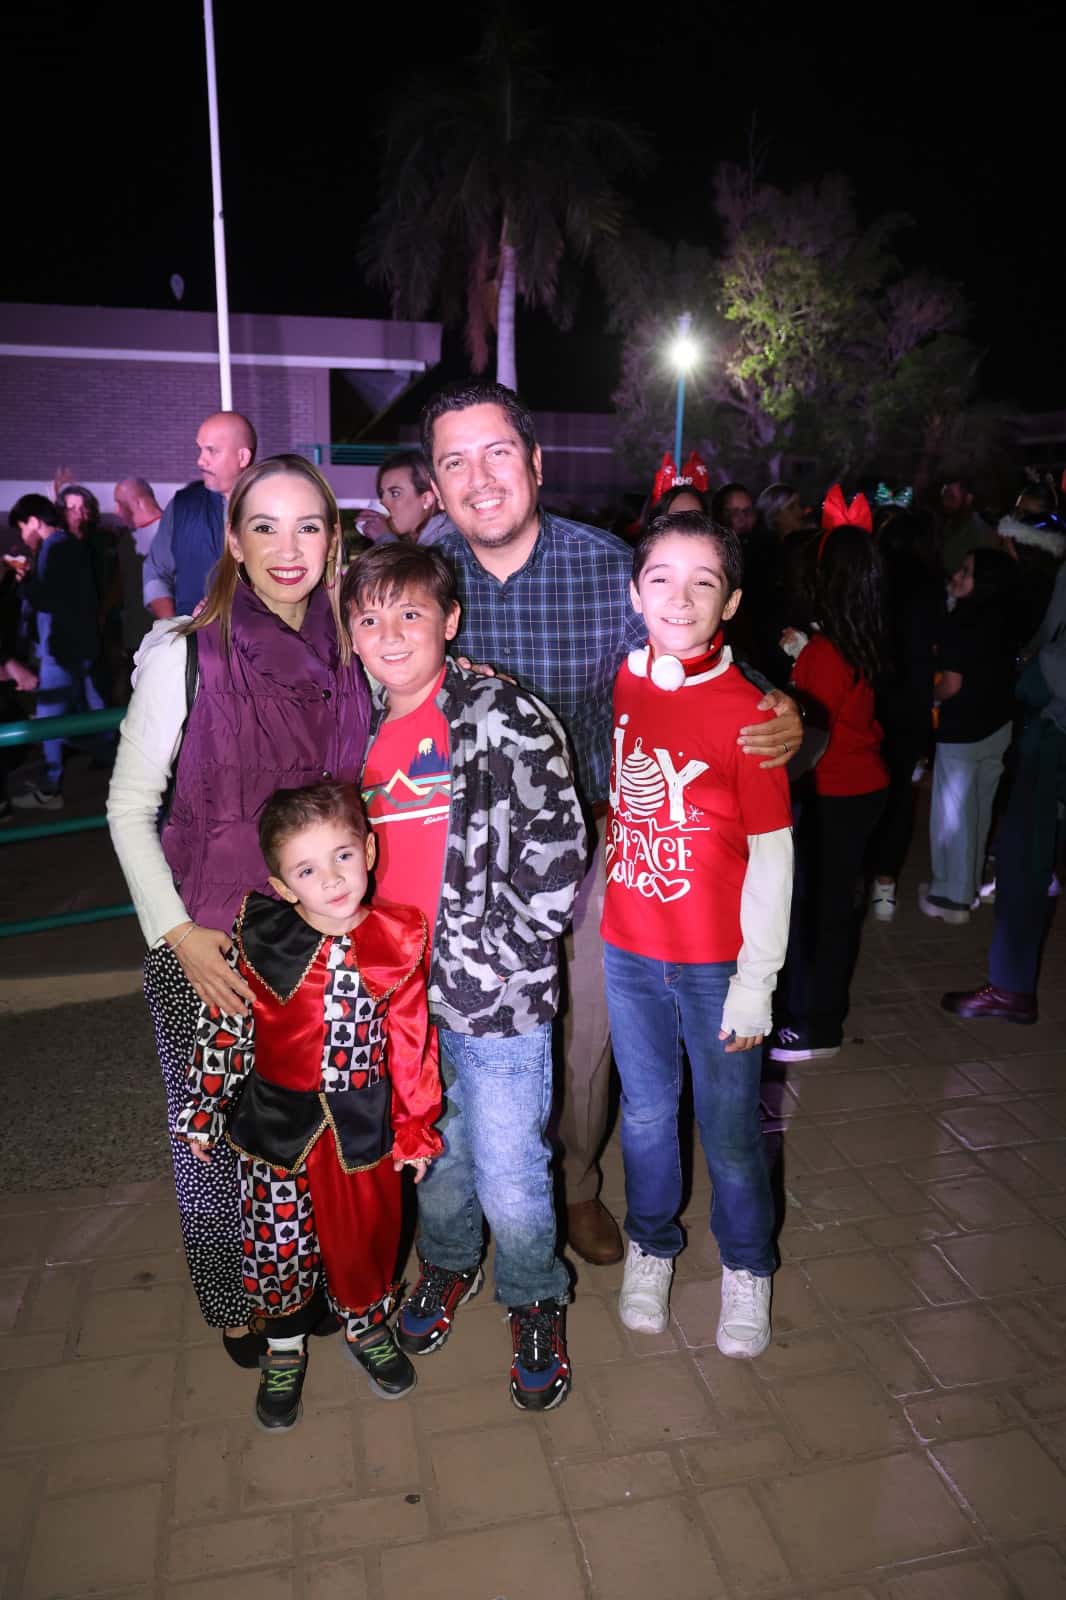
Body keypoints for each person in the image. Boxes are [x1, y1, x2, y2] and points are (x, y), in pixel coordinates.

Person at [421, 380, 803, 1267]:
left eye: (498, 453)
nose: (479, 479)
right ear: (436, 485)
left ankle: (577, 1185)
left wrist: (789, 717)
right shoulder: (422, 579)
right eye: (454, 461)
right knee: (467, 1038)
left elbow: (706, 667)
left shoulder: (608, 569)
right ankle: (475, 1196)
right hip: (461, 865)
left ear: (535, 464)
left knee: (587, 1040)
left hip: (598, 852)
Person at [107, 454, 370, 1365]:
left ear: (335, 539)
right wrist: (176, 935)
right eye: (266, 526)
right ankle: (232, 1298)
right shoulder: (187, 653)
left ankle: (305, 1280)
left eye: (309, 526)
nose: (288, 548)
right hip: (208, 941)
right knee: (210, 1144)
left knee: (314, 1130)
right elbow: (127, 809)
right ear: (232, 540)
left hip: (321, 936)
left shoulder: (356, 648)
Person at [345, 541, 587, 1410]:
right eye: (369, 619)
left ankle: (533, 1295)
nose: (391, 634)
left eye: (410, 614)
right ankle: (448, 1266)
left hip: (496, 993)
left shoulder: (499, 712)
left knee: (512, 1164)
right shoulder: (357, 723)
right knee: (432, 1148)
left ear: (449, 621)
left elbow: (558, 848)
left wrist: (508, 949)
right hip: (396, 997)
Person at [176, 781, 441, 1430]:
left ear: (370, 851)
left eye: (343, 856)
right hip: (277, 1131)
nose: (331, 879)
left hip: (361, 1134)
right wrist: (204, 1107)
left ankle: (365, 1324)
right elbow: (229, 1026)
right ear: (284, 885)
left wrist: (415, 1129)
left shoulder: (399, 939)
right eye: (307, 869)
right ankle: (284, 1349)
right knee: (277, 1248)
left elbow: (411, 1044)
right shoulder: (261, 939)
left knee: (367, 1246)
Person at [602, 510, 793, 1357]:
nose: (679, 598)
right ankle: (652, 1244)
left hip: (718, 966)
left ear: (732, 601)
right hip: (629, 949)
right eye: (661, 579)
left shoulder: (752, 713)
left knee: (730, 1131)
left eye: (703, 582)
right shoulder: (622, 680)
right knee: (644, 1118)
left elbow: (774, 858)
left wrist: (758, 981)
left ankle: (748, 1265)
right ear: (634, 589)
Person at [769, 492, 889, 1063]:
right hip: (865, 786)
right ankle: (820, 1017)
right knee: (836, 907)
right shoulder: (861, 636)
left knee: (817, 915)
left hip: (832, 794)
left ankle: (816, 1024)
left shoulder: (825, 652)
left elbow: (805, 741)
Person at [942, 557, 1066, 1024]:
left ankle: (1012, 989)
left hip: (1057, 728)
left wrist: (1030, 672)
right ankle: (1011, 986)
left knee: (1024, 857)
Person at [920, 549, 1020, 924]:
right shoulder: (1006, 616)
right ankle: (968, 886)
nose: (957, 575)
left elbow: (951, 684)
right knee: (979, 809)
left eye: (967, 571)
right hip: (999, 724)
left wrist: (930, 697)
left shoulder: (962, 620)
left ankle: (952, 896)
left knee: (952, 815)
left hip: (963, 727)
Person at [6, 493, 105, 809]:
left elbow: (48, 598)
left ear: (34, 521)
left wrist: (23, 580)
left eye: (22, 527)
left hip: (62, 649)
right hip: (79, 646)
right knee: (85, 719)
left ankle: (51, 788)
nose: (23, 535)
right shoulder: (68, 546)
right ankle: (123, 763)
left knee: (51, 720)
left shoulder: (56, 547)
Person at [870, 511, 943, 920]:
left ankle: (861, 881)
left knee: (867, 791)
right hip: (912, 698)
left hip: (876, 696)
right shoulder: (931, 583)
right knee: (900, 795)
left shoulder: (874, 581)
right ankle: (886, 887)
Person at [142, 412, 257, 619]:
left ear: (243, 457)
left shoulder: (278, 508)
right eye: (200, 449)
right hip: (194, 644)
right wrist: (173, 629)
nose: (200, 461)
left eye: (211, 451)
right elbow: (156, 572)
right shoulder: (182, 506)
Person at [113, 476, 163, 669]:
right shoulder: (126, 542)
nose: (116, 511)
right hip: (135, 640)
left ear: (138, 502)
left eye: (119, 504)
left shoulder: (172, 533)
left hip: (164, 638)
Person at [356, 450, 451, 546]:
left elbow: (411, 562)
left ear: (426, 500)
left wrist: (384, 538)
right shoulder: (416, 541)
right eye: (381, 494)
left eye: (395, 493)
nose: (382, 503)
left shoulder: (449, 540)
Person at [939, 473, 997, 577]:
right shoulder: (950, 524)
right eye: (944, 495)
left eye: (951, 497)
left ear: (968, 498)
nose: (945, 503)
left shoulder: (979, 532)